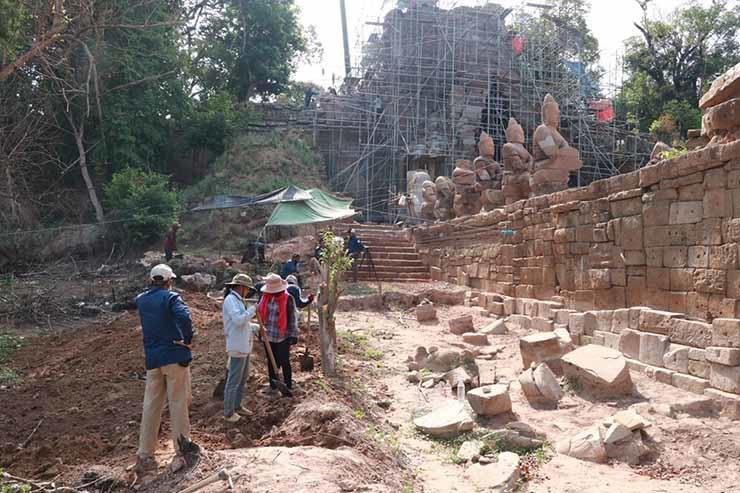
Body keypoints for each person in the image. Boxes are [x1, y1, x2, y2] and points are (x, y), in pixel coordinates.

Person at [134, 264, 194, 474]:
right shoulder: (171, 298)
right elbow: (185, 317)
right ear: (168, 281)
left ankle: (145, 454)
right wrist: (187, 340)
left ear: (152, 280)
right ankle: (182, 449)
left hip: (153, 359)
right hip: (174, 356)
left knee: (151, 405)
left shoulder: (141, 300)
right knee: (177, 403)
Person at [222, 274, 259, 423]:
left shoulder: (238, 300)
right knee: (233, 381)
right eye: (247, 289)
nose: (248, 292)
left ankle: (237, 406)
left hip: (244, 345)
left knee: (242, 379)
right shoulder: (230, 300)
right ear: (241, 287)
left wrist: (255, 327)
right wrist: (252, 310)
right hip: (237, 345)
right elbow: (238, 320)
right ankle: (228, 412)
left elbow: (242, 323)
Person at [258, 273, 299, 394]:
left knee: (284, 360)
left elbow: (292, 317)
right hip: (268, 334)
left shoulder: (288, 299)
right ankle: (273, 385)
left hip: (283, 335)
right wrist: (261, 332)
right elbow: (261, 315)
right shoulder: (265, 297)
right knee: (271, 361)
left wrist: (293, 334)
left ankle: (288, 384)